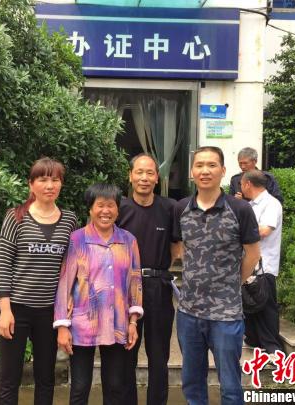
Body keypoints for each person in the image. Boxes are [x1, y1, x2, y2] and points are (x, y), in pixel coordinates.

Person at [173, 146, 261, 405]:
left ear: (222, 171)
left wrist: (232, 283)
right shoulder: (181, 208)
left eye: (211, 165)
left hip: (226, 315)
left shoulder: (240, 209)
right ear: (192, 172)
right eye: (199, 165)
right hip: (188, 312)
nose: (205, 170)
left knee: (230, 385)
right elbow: (179, 248)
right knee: (192, 383)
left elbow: (253, 255)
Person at [0, 157, 77, 405]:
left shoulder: (70, 220)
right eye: (43, 179)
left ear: (61, 184)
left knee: (46, 378)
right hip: (17, 309)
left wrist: (70, 298)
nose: (49, 185)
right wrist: (5, 310)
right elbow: (3, 265)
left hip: (50, 312)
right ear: (31, 184)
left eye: (55, 180)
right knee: (10, 378)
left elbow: (72, 267)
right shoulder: (15, 217)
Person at [54, 183, 143, 405]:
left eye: (111, 205)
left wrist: (133, 321)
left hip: (117, 323)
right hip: (83, 323)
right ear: (91, 209)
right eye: (100, 205)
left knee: (115, 385)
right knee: (80, 386)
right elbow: (64, 283)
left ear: (118, 209)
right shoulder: (77, 240)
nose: (105, 211)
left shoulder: (128, 240)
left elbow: (135, 282)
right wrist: (62, 326)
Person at [117, 154, 178, 405]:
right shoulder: (119, 208)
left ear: (157, 178)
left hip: (158, 288)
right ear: (130, 176)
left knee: (159, 355)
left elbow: (176, 247)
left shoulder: (169, 207)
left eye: (150, 173)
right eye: (139, 172)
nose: (144, 178)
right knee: (125, 355)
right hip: (123, 289)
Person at [240, 170, 284, 355]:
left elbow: (265, 230)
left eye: (241, 184)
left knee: (266, 307)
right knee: (251, 305)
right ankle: (254, 341)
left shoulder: (271, 204)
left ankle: (273, 349)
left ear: (248, 184)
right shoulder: (250, 205)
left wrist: (239, 230)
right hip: (250, 264)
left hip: (265, 266)